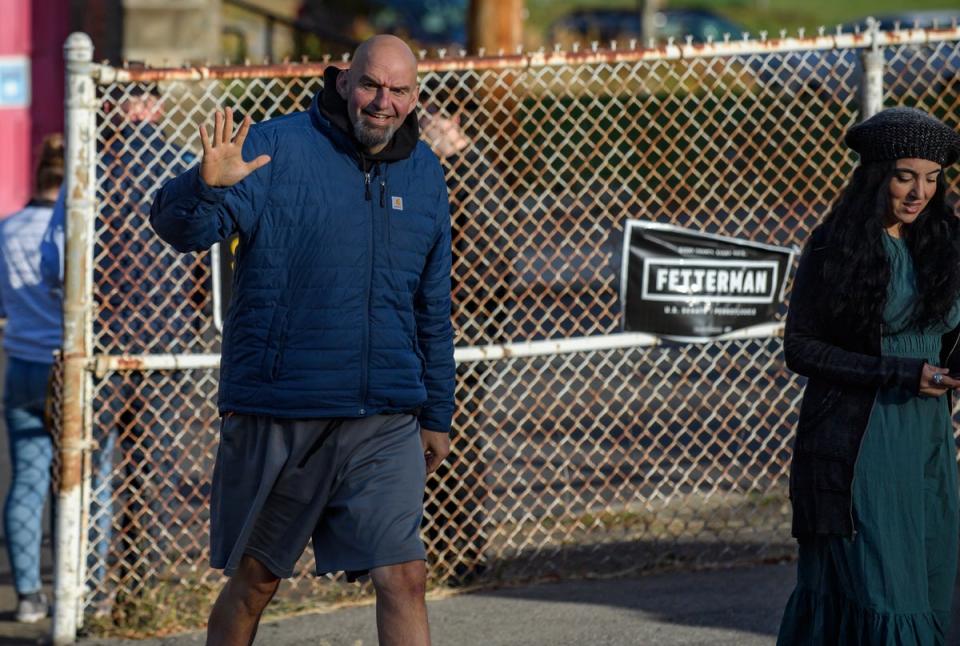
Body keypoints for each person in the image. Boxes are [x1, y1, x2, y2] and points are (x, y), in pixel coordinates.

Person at [150, 34, 455, 645]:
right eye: (370, 84)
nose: (382, 102)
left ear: (415, 96)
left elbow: (432, 303)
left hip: (384, 414)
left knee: (405, 575)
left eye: (399, 91)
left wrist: (438, 410)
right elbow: (179, 229)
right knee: (257, 581)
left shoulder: (424, 172)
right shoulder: (273, 148)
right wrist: (204, 186)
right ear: (343, 81)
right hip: (283, 410)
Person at [777, 107, 960, 644]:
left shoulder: (947, 241)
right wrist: (898, 372)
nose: (919, 192)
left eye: (932, 178)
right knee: (884, 592)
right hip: (862, 443)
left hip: (927, 443)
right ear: (876, 175)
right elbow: (801, 348)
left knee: (927, 585)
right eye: (906, 175)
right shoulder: (835, 244)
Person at [41, 83, 198, 602]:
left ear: (113, 106)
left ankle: (81, 585)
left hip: (102, 330)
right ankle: (136, 588)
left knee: (82, 459)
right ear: (157, 106)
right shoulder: (186, 164)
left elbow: (54, 259)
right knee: (150, 470)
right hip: (166, 337)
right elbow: (209, 254)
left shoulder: (94, 164)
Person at [0, 133, 65, 623]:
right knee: (89, 478)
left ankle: (26, 594)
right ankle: (82, 585)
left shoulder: (7, 229)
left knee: (27, 480)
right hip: (70, 365)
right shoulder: (79, 229)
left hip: (23, 362)